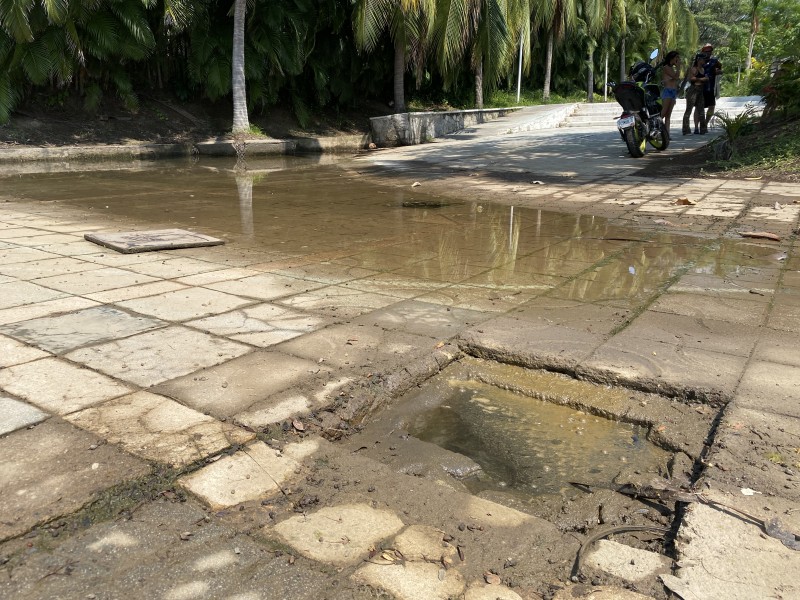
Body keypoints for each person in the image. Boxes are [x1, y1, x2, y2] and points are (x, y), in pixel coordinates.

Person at [682, 53, 708, 135]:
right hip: (693, 90)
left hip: (700, 90)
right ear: (699, 60)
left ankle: (703, 129)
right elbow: (691, 79)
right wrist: (701, 79)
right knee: (689, 110)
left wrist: (701, 79)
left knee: (701, 110)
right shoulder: (693, 69)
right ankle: (686, 129)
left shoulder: (703, 69)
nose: (704, 61)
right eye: (703, 59)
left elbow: (707, 78)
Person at [700, 43, 723, 129]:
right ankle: (699, 124)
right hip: (701, 88)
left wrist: (718, 72)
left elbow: (720, 69)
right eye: (706, 51)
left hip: (710, 88)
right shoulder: (699, 61)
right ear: (703, 51)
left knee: (712, 107)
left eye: (710, 51)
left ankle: (705, 123)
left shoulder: (714, 61)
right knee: (700, 108)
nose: (708, 52)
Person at [659, 50, 681, 135]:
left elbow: (676, 78)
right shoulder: (666, 67)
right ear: (672, 58)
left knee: (668, 114)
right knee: (663, 112)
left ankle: (667, 133)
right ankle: (657, 128)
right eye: (676, 57)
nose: (677, 59)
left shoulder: (672, 68)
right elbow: (675, 76)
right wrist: (678, 67)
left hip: (673, 91)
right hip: (667, 91)